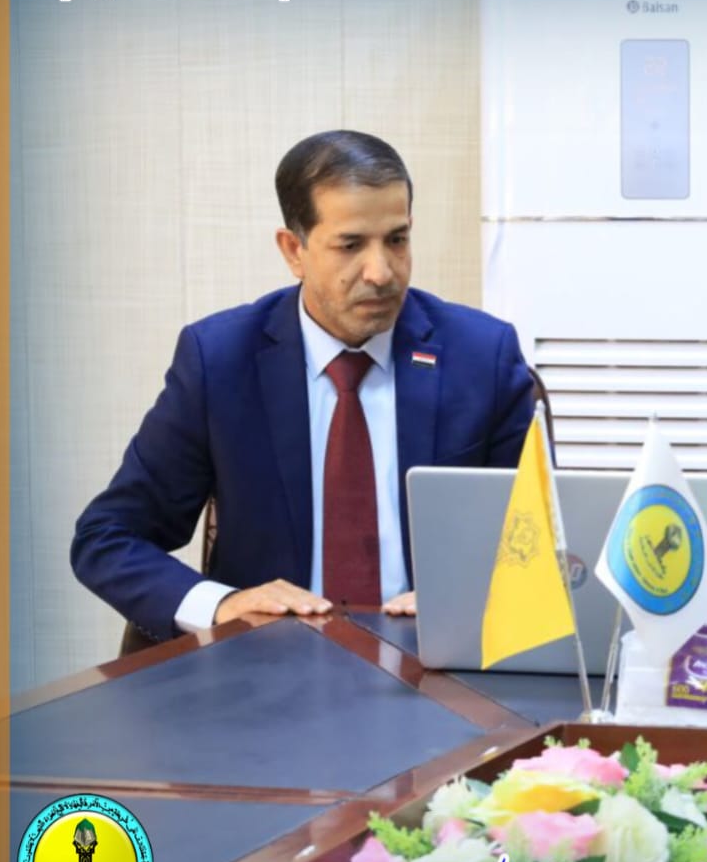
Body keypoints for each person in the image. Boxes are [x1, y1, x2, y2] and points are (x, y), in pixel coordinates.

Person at [72, 130, 534, 643]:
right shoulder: (221, 362)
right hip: (269, 663)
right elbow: (106, 537)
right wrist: (223, 604)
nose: (381, 272)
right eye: (351, 245)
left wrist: (470, 596)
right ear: (294, 250)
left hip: (434, 657)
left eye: (397, 240)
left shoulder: (480, 356)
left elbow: (541, 545)